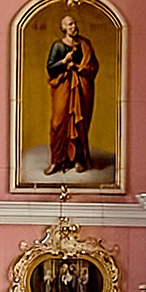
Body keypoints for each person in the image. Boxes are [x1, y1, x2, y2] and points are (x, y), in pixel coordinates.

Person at [46, 9, 99, 172]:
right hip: (63, 87)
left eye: (74, 23)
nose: (73, 26)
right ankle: (57, 160)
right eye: (70, 24)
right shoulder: (57, 46)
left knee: (79, 122)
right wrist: (64, 61)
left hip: (81, 87)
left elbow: (93, 66)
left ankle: (77, 159)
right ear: (63, 28)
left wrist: (77, 67)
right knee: (58, 123)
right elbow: (50, 68)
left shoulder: (85, 44)